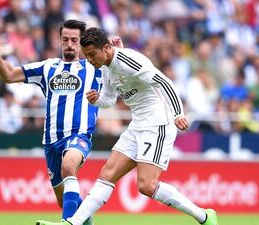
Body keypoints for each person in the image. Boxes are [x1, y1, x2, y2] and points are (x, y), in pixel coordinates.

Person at [36, 28, 219, 225]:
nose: (88, 60)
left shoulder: (128, 61)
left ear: (106, 48)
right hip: (137, 124)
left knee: (146, 186)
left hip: (158, 123)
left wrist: (178, 113)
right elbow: (109, 98)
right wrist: (97, 100)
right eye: (86, 55)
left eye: (91, 54)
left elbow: (164, 82)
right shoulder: (105, 68)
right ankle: (73, 223)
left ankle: (205, 216)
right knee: (107, 175)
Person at [0, 20, 122, 225]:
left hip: (79, 135)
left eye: (74, 40)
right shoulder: (48, 67)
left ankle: (66, 223)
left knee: (69, 166)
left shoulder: (95, 67)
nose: (70, 44)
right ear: (60, 40)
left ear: (82, 42)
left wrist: (119, 52)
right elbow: (10, 75)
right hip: (51, 141)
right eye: (65, 39)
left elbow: (120, 71)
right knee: (63, 200)